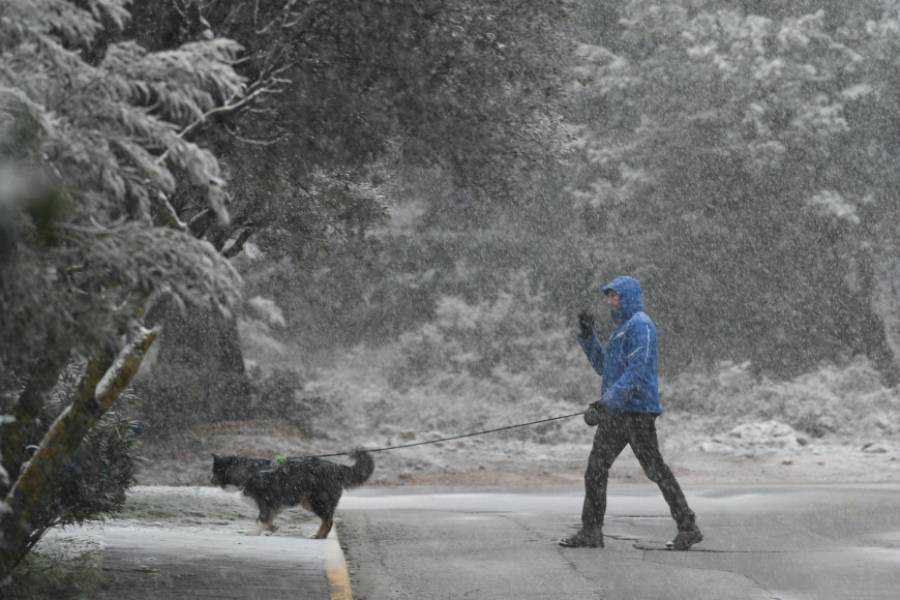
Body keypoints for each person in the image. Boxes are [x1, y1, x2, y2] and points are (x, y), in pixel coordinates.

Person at [559, 276, 703, 550]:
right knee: (596, 469)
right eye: (609, 298)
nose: (611, 302)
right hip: (616, 413)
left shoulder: (641, 326)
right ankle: (591, 532)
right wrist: (588, 338)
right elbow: (605, 368)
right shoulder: (621, 331)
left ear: (629, 297)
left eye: (615, 297)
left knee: (655, 470)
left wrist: (605, 403)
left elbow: (637, 371)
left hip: (637, 413)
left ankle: (688, 527)